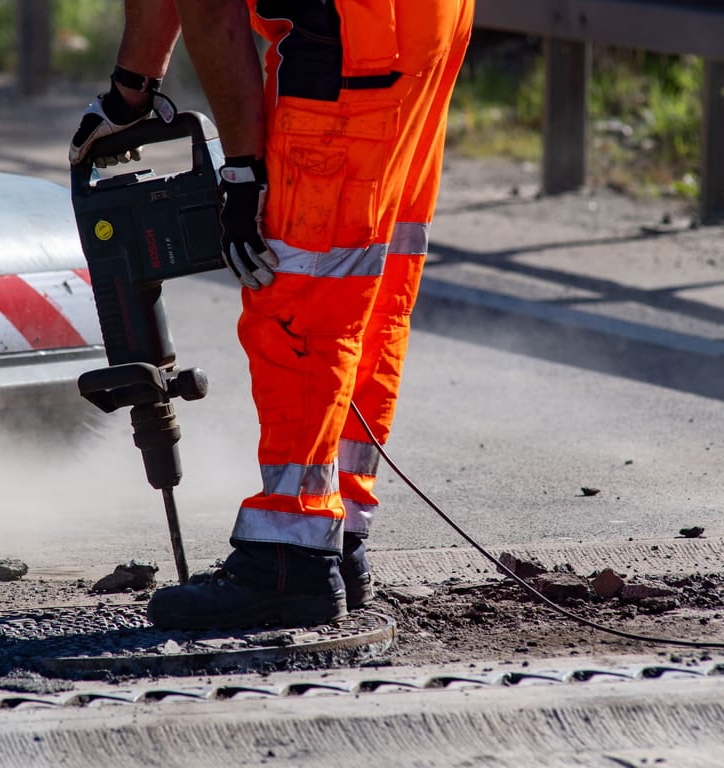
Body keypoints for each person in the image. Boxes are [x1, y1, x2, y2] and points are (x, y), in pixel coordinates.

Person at [71, 0, 475, 630]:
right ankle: (336, 537)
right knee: (366, 274)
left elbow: (209, 10)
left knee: (301, 288)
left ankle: (290, 557)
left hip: (347, 44)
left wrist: (243, 170)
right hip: (426, 29)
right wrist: (129, 96)